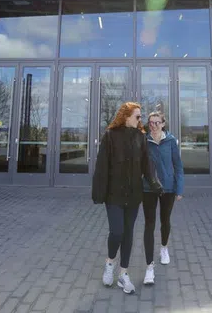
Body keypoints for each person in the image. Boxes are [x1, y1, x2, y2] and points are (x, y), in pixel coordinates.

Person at [92, 102, 162, 295]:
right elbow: (101, 167)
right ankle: (109, 262)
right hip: (113, 195)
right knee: (117, 231)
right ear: (126, 116)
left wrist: (155, 183)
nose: (141, 120)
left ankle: (123, 273)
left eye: (141, 117)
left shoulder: (141, 138)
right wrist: (98, 192)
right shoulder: (110, 136)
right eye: (138, 116)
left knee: (128, 233)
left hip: (133, 195)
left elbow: (147, 165)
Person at [141, 112, 184, 286]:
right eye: (151, 123)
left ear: (163, 123)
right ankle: (149, 267)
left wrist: (179, 189)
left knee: (165, 220)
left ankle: (164, 248)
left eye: (157, 123)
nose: (154, 126)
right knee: (149, 224)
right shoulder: (144, 141)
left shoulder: (171, 141)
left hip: (168, 188)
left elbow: (178, 167)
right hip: (148, 188)